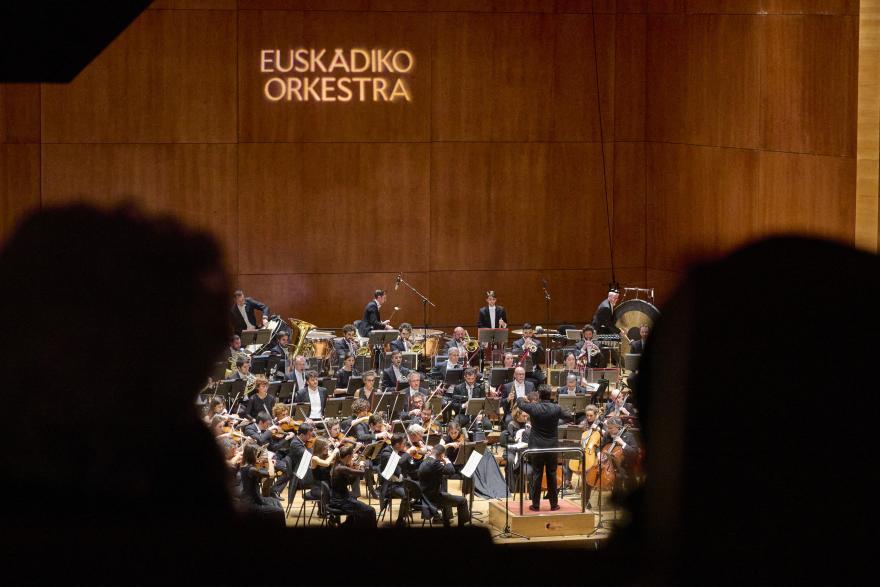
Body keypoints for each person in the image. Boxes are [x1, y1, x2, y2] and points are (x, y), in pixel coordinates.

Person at [516, 386, 563, 511]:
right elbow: (569, 416)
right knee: (551, 474)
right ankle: (554, 504)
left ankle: (536, 505)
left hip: (536, 446)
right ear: (551, 395)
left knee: (537, 474)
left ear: (539, 396)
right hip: (552, 447)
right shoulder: (556, 408)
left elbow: (519, 403)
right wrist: (555, 420)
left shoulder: (533, 407)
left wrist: (523, 397)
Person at [418, 444, 470, 527]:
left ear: (432, 451)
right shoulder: (435, 464)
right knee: (463, 500)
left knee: (446, 495)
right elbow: (451, 471)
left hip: (425, 495)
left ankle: (447, 523)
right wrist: (448, 461)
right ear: (442, 455)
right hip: (433, 498)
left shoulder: (425, 460)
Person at [329, 445, 377, 528]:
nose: (352, 459)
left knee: (359, 513)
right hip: (341, 501)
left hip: (339, 498)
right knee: (371, 511)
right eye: (351, 456)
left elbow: (350, 480)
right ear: (348, 456)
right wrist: (362, 464)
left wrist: (351, 466)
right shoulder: (341, 468)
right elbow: (362, 473)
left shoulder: (338, 465)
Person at [238, 444, 285, 527]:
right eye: (256, 454)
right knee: (279, 511)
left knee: (276, 502)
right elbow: (271, 474)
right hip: (251, 503)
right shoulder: (251, 469)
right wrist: (270, 460)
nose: (258, 457)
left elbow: (260, 479)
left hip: (253, 498)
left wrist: (260, 465)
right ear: (251, 456)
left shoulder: (245, 466)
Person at [378, 433, 412, 527]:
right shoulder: (386, 454)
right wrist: (407, 454)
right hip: (390, 485)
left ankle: (404, 515)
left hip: (399, 482)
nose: (405, 446)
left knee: (413, 489)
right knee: (406, 494)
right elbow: (398, 468)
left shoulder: (397, 451)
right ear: (397, 445)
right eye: (403, 444)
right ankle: (400, 520)